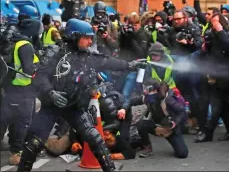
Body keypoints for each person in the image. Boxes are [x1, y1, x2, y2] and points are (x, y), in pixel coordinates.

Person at [17, 19, 143, 172]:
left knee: (94, 137)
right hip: (51, 106)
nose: (90, 41)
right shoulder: (55, 53)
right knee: (34, 143)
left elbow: (107, 61)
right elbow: (39, 76)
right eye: (87, 37)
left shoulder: (87, 56)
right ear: (74, 36)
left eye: (92, 37)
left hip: (74, 106)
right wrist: (51, 93)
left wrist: (129, 65)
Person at [193, 11, 229, 143]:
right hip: (215, 74)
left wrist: (220, 31)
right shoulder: (213, 36)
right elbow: (210, 54)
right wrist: (205, 47)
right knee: (224, 105)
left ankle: (208, 132)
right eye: (212, 23)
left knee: (217, 104)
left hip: (226, 75)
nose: (213, 25)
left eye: (216, 23)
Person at [0, 19, 42, 165]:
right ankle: (16, 154)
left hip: (9, 87)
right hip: (22, 89)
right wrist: (40, 66)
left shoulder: (14, 41)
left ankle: (13, 147)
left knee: (6, 119)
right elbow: (28, 70)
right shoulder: (26, 45)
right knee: (22, 122)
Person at [126, 79, 188, 158]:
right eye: (143, 88)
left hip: (170, 129)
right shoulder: (147, 98)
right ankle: (147, 148)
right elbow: (131, 101)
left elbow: (182, 112)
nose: (144, 91)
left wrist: (174, 123)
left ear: (155, 90)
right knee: (141, 124)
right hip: (156, 125)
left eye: (147, 89)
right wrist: (123, 109)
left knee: (183, 153)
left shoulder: (168, 100)